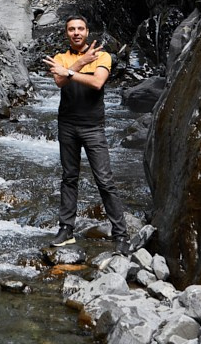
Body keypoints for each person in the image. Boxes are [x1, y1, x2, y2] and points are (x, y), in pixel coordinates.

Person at [42, 15, 128, 252]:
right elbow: (59, 81)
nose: (76, 33)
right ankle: (66, 230)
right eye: (71, 29)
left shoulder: (102, 56)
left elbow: (98, 83)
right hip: (67, 125)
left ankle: (121, 235)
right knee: (69, 177)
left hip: (93, 126)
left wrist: (69, 72)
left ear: (87, 31)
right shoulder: (60, 58)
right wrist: (77, 66)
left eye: (80, 29)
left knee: (104, 179)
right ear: (67, 33)